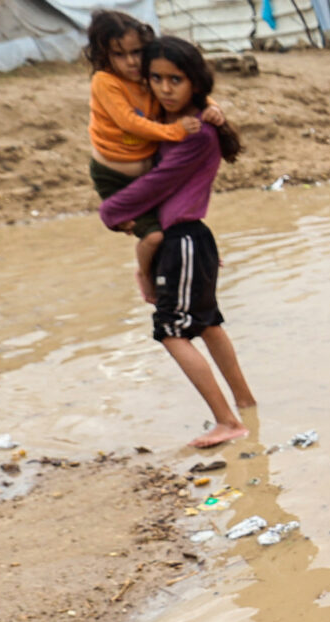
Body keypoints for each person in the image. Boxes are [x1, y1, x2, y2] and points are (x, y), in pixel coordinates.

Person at [99, 36, 254, 450]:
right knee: (206, 323)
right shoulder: (181, 125)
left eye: (176, 80)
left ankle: (228, 422)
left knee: (170, 331)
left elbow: (156, 185)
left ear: (195, 82)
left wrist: (110, 212)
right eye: (156, 79)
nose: (165, 88)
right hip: (191, 241)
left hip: (184, 238)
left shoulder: (195, 134)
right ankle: (246, 404)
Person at [81, 11, 221, 304]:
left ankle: (199, 260)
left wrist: (211, 106)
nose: (131, 62)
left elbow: (185, 88)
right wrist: (175, 132)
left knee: (174, 221)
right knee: (154, 236)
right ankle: (144, 275)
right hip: (115, 177)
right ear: (104, 56)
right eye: (119, 55)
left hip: (147, 172)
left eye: (136, 52)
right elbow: (130, 122)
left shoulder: (147, 79)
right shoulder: (105, 82)